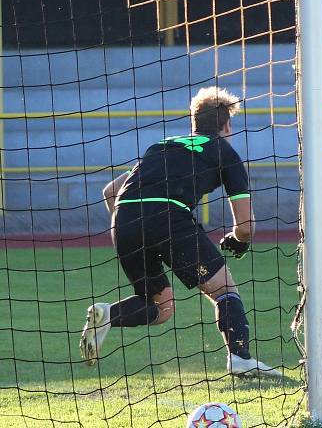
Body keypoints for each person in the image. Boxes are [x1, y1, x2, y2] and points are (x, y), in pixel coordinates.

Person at [79, 86, 280, 377]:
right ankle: (240, 359)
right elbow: (246, 227)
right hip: (169, 217)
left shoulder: (162, 146)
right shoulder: (225, 151)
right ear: (227, 125)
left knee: (162, 308)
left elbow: (111, 191)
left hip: (123, 220)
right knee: (224, 290)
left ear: (194, 122)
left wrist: (142, 231)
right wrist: (238, 241)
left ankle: (107, 315)